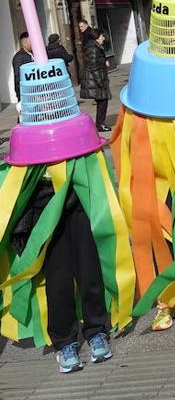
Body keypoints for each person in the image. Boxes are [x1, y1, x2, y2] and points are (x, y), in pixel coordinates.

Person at [10, 175, 113, 372]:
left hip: (78, 192)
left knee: (89, 270)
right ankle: (65, 343)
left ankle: (96, 332)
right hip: (44, 201)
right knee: (58, 279)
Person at [80, 30, 111, 132]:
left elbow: (97, 62)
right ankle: (100, 124)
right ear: (98, 37)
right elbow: (94, 66)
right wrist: (100, 82)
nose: (103, 39)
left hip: (97, 78)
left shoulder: (95, 47)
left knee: (102, 102)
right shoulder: (94, 48)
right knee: (102, 102)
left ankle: (100, 123)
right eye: (102, 36)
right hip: (96, 80)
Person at [12, 31, 33, 107]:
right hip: (25, 91)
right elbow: (18, 76)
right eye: (31, 41)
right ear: (24, 43)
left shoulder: (33, 53)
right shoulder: (19, 57)